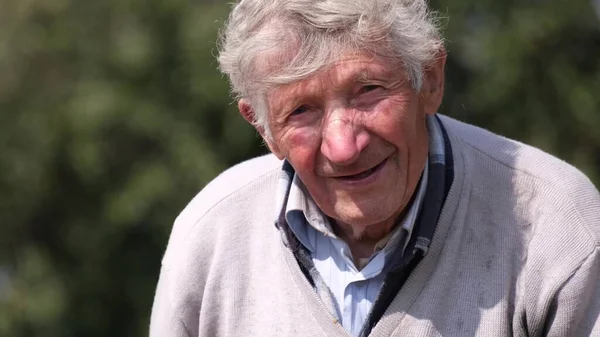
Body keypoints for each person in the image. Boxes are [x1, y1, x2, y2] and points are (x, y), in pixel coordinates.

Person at [149, 0, 600, 336]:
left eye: (368, 89)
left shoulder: (560, 229)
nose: (344, 147)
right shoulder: (211, 240)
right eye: (301, 110)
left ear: (431, 79)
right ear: (263, 127)